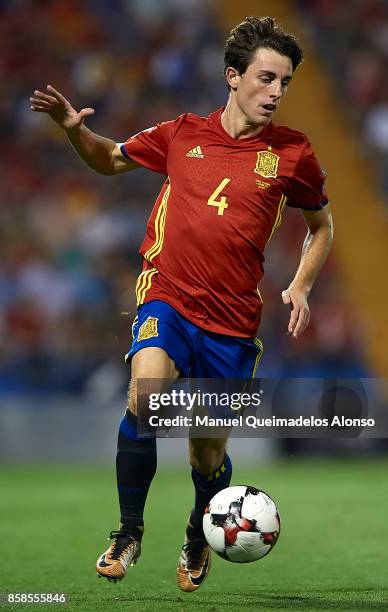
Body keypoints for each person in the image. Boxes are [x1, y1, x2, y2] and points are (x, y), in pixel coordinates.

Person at [30, 16, 333, 592]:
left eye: (285, 82)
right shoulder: (181, 133)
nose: (276, 92)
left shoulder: (292, 153)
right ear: (233, 75)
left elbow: (322, 227)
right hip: (167, 296)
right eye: (267, 78)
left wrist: (301, 284)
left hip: (233, 323)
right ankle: (127, 531)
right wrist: (73, 130)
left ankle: (200, 529)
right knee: (147, 397)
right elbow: (108, 159)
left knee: (205, 453)